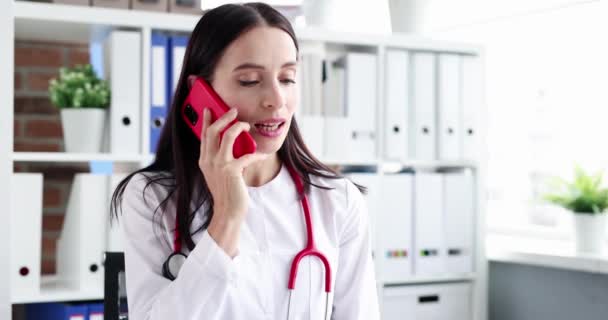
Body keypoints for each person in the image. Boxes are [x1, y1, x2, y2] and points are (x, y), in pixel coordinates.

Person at [111, 2, 380, 319]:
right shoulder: (151, 197)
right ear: (199, 91)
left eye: (288, 78)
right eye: (250, 80)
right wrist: (226, 217)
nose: (276, 100)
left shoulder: (337, 200)